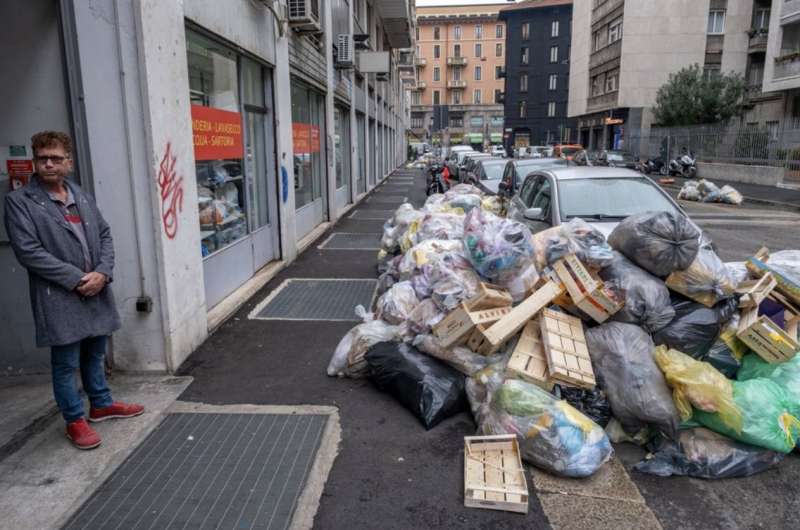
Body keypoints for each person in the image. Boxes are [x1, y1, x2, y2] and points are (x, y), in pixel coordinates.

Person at [4, 131, 144, 450]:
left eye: (55, 158)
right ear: (35, 162)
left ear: (69, 161)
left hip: (96, 287)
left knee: (95, 352)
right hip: (61, 294)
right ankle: (74, 420)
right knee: (65, 362)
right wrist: (79, 278)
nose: (48, 163)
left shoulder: (79, 194)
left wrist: (103, 273)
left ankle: (101, 404)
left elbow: (105, 235)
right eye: (42, 158)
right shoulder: (19, 202)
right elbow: (29, 251)